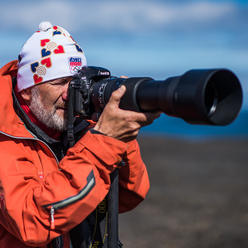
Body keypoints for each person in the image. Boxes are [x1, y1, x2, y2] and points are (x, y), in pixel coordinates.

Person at [0, 22, 160, 248]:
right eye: (59, 83)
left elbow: (128, 197)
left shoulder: (81, 126)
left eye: (75, 83)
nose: (70, 95)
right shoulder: (4, 137)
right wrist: (105, 140)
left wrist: (122, 134)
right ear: (27, 91)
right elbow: (33, 221)